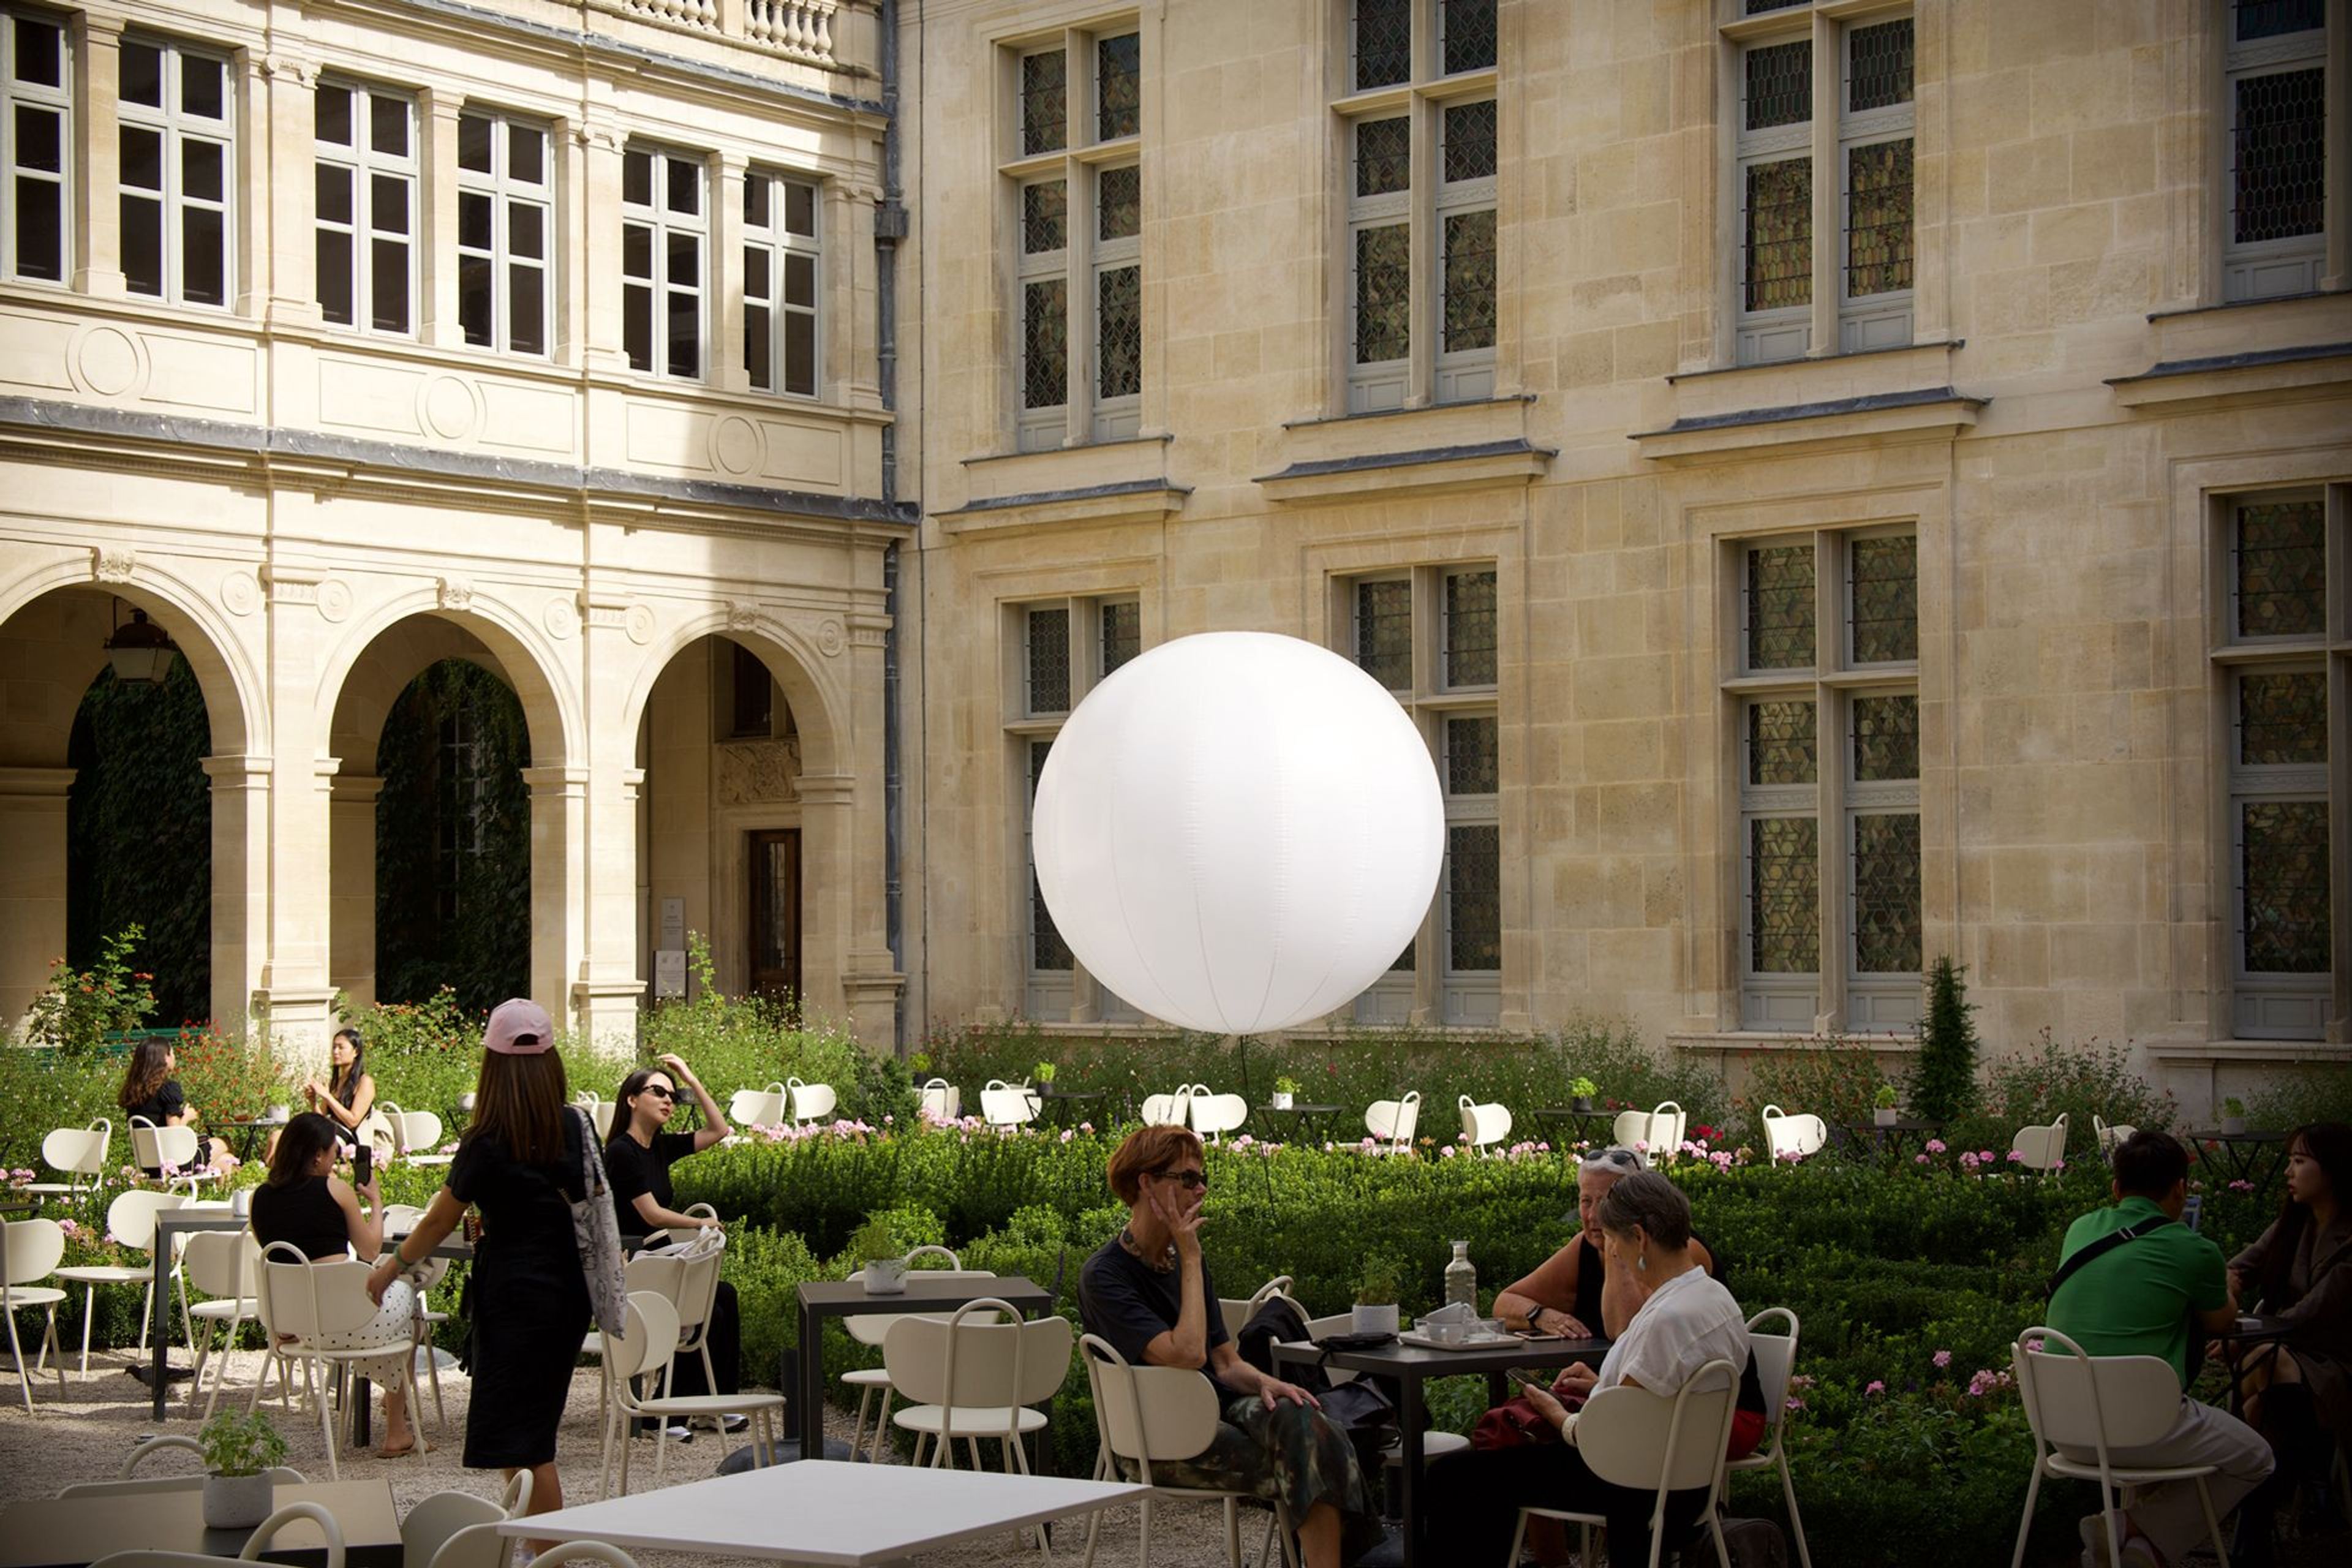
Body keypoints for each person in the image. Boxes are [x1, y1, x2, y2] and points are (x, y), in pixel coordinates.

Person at [1078, 1125, 1382, 1568]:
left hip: (1218, 1411)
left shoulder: (1184, 1261)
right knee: (1314, 1453)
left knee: (1305, 1419)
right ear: (1146, 1183)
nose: (1200, 1189)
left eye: (1203, 1179)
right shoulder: (1106, 1276)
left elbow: (1224, 1361)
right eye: (1187, 1179)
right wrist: (1192, 1257)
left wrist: (1270, 1383)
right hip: (1160, 1437)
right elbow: (1187, 1355)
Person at [1428, 1171, 1763, 1567]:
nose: (1613, 1255)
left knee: (1456, 1476)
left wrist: (1558, 1415)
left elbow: (1606, 1436)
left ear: (1639, 1239)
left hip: (1635, 1483)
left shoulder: (1667, 1319)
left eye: (1614, 1242)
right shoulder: (1714, 1298)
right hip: (1686, 1478)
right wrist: (1604, 1383)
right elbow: (1654, 1397)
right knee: (1490, 1467)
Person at [367, 999, 590, 1544]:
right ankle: (539, 1551)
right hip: (566, 1296)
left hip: (513, 1297)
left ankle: (548, 1558)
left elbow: (442, 1218)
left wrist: (390, 1267)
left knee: (527, 1443)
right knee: (525, 1437)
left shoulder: (486, 1140)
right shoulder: (574, 1125)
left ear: (491, 1066)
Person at [2044, 1129, 2273, 1568]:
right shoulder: (2193, 1249)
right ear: (2181, 1189)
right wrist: (2225, 1285)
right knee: (2257, 1458)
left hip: (2064, 1430)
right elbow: (2221, 1322)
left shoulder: (2080, 1229)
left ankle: (2140, 1547)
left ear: (2115, 1188)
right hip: (2145, 1429)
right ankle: (2133, 1527)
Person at [251, 1111, 419, 1457]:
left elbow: (279, 1263)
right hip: (346, 1323)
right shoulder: (336, 1189)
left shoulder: (259, 1198)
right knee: (406, 1304)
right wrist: (375, 1200)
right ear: (316, 1154)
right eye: (332, 1153)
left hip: (302, 1328)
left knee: (384, 1324)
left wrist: (290, 1320)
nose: (334, 1160)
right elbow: (370, 1250)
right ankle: (396, 1426)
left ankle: (395, 1422)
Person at [2224, 1121, 2350, 1560]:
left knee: (2264, 1369)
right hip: (2290, 1365)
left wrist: (2240, 1333)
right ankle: (2314, 1495)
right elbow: (2239, 1266)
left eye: (2299, 1162)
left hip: (2337, 1365)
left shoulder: (2349, 1242)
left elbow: (2310, 1313)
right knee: (2263, 1406)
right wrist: (2227, 1291)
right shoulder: (2292, 1225)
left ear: (2332, 1170)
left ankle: (2254, 1530)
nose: (2288, 1172)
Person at [605, 1053, 744, 1430]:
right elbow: (651, 1214)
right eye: (658, 1092)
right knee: (699, 1306)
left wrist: (690, 1076)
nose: (669, 1100)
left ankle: (713, 1405)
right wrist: (702, 1224)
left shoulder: (660, 1147)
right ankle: (668, 1411)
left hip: (660, 1257)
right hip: (632, 1261)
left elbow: (719, 1130)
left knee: (723, 1297)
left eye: (672, 1095)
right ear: (632, 1099)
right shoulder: (621, 1151)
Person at [1492, 1145, 1719, 1340]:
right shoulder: (1583, 1247)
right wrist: (1541, 1316)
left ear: (1637, 1203)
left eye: (1606, 1203)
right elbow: (1504, 1303)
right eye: (1586, 1201)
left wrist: (1615, 1240)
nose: (1593, 1216)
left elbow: (1625, 1331)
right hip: (1611, 1384)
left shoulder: (1678, 1248)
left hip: (1680, 1389)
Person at [116, 1037, 232, 1175]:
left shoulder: (133, 1092)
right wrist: (187, 1117)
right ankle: (211, 1190)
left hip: (149, 1166)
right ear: (165, 1058)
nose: (174, 1057)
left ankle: (216, 1193)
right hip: (174, 1164)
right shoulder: (168, 1088)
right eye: (172, 1053)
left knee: (226, 1160)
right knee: (224, 1143)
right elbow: (175, 1133)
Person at [265, 1027, 376, 1164]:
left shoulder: (365, 1082)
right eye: (334, 1047)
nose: (336, 1052)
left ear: (356, 1052)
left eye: (341, 1048)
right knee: (276, 1137)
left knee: (290, 1147)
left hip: (346, 1141)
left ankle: (279, 1175)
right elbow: (321, 1119)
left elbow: (353, 1121)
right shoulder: (335, 1082)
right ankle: (274, 1174)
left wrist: (328, 1097)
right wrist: (313, 1102)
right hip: (327, 1132)